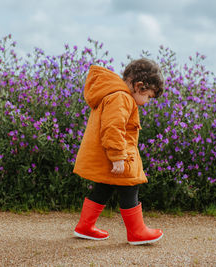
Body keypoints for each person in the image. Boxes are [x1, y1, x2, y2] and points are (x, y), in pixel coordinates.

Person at [73, 58, 165, 245]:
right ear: (139, 86)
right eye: (148, 96)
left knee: (104, 187)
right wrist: (117, 157)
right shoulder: (121, 97)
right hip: (117, 156)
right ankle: (137, 233)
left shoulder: (116, 95)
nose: (147, 101)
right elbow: (113, 128)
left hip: (109, 156)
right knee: (131, 186)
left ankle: (85, 226)